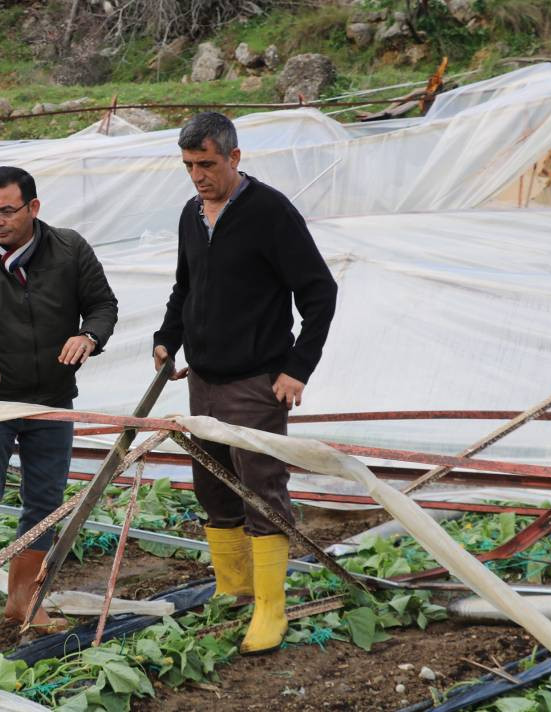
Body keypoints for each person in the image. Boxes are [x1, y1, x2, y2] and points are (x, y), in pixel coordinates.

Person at [152, 112, 337, 655]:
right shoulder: (192, 215)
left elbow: (319, 292)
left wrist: (297, 367)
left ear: (234, 158)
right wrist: (168, 337)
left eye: (206, 164)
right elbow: (185, 286)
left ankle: (270, 607)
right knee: (212, 485)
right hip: (203, 379)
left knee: (261, 489)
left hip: (256, 381)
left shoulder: (270, 212)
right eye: (188, 166)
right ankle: (233, 586)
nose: (197, 176)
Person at [0, 166, 118, 641]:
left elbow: (102, 305)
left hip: (51, 398)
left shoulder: (69, 249)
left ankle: (22, 599)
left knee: (45, 499)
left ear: (33, 208)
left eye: (7, 211)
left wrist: (89, 335)